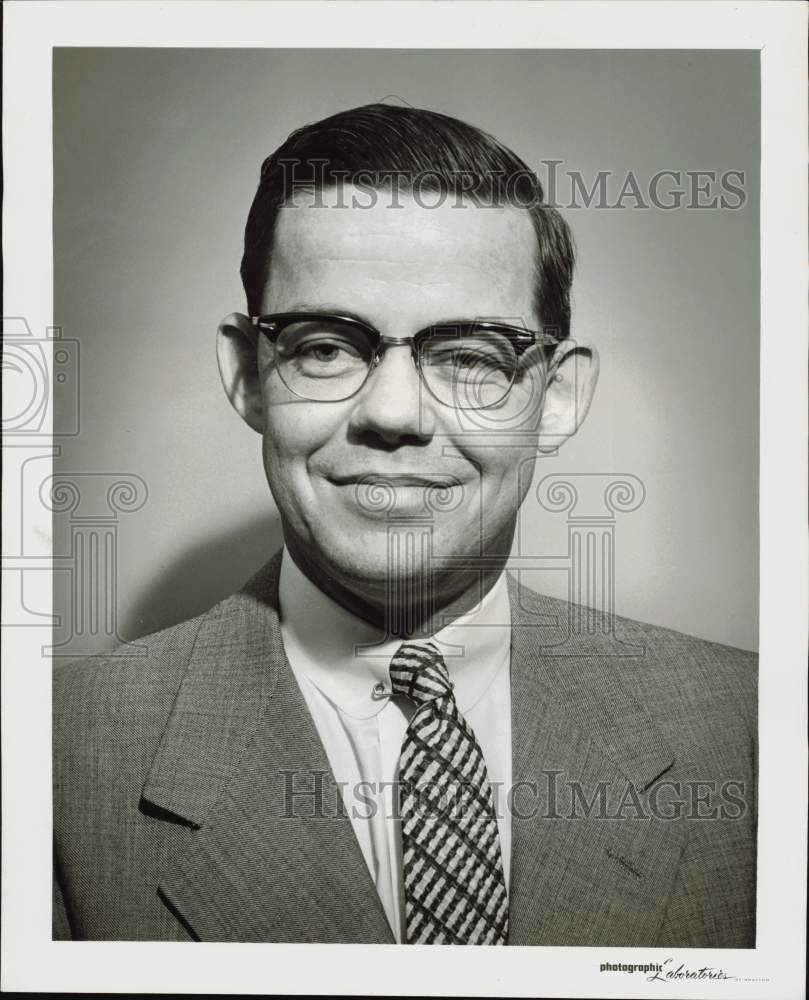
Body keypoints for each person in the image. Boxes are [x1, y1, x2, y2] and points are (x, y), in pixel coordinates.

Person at [53, 103, 757, 946]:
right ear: (247, 376)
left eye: (468, 356)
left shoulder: (751, 729)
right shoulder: (47, 757)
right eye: (324, 346)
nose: (392, 414)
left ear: (557, 396)